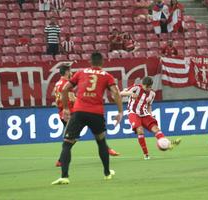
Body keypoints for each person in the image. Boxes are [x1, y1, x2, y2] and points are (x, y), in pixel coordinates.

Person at [51, 52, 123, 185]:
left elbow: (65, 89)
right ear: (102, 62)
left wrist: (66, 108)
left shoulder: (80, 72)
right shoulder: (107, 76)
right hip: (96, 113)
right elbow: (115, 92)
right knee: (101, 142)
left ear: (90, 61)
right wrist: (120, 111)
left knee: (67, 143)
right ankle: (107, 173)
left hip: (79, 112)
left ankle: (64, 176)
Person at [120, 76, 181, 160]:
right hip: (133, 113)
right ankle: (146, 154)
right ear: (143, 84)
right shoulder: (136, 88)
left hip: (145, 114)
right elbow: (121, 93)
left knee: (156, 129)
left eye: (150, 87)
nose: (148, 89)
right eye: (147, 87)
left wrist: (150, 114)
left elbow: (149, 106)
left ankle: (167, 144)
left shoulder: (152, 94)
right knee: (140, 130)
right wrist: (130, 94)